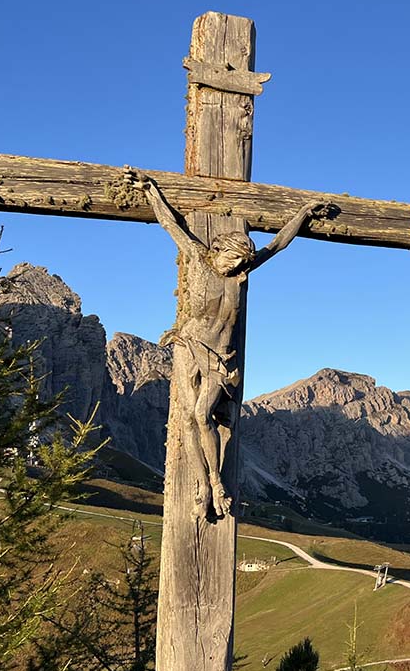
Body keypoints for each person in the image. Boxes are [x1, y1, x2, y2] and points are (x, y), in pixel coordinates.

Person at [124, 166, 337, 518]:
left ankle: (215, 480)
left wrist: (302, 213)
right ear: (218, 250)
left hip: (223, 358)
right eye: (233, 259)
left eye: (242, 262)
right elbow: (171, 225)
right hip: (189, 345)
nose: (238, 265)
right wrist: (150, 191)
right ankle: (205, 485)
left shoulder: (240, 275)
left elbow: (278, 244)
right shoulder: (198, 258)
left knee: (206, 416)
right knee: (192, 418)